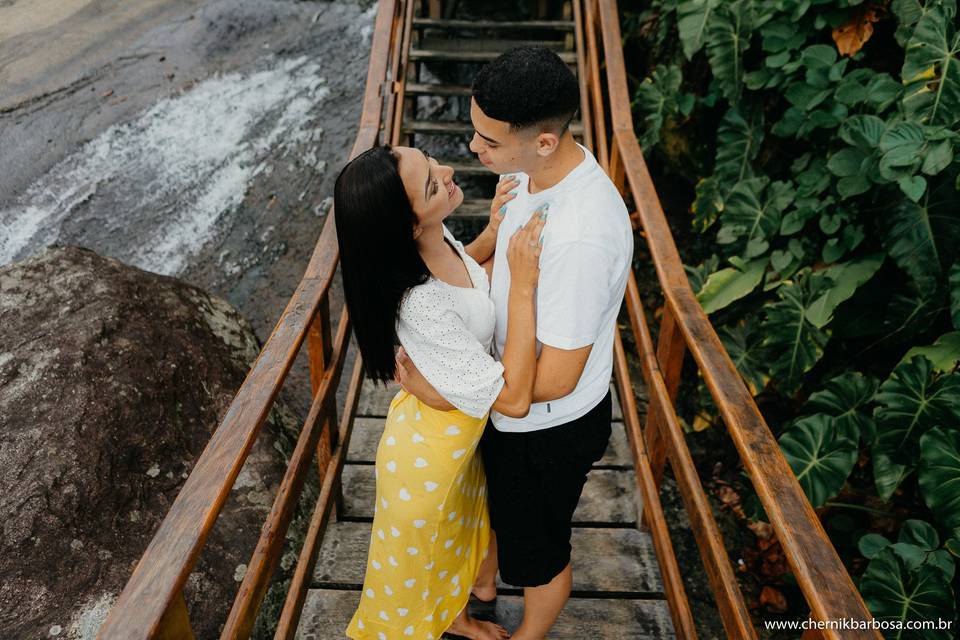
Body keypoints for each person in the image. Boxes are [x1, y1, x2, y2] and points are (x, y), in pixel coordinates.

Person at [396, 47, 634, 639]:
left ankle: (527, 636)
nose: (474, 151)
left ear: (546, 141)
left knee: (538, 553)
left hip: (545, 430)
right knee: (495, 513)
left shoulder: (580, 238)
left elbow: (553, 381)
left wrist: (444, 388)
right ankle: (481, 586)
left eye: (488, 141)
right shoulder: (534, 170)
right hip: (510, 408)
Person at [334, 143, 548, 640]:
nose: (448, 171)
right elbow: (514, 399)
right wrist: (522, 286)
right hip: (430, 461)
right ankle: (458, 623)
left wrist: (491, 235)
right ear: (408, 225)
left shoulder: (431, 237)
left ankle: (462, 613)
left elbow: (460, 279)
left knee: (460, 535)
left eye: (430, 162)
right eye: (433, 183)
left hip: (447, 434)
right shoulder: (421, 302)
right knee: (422, 563)